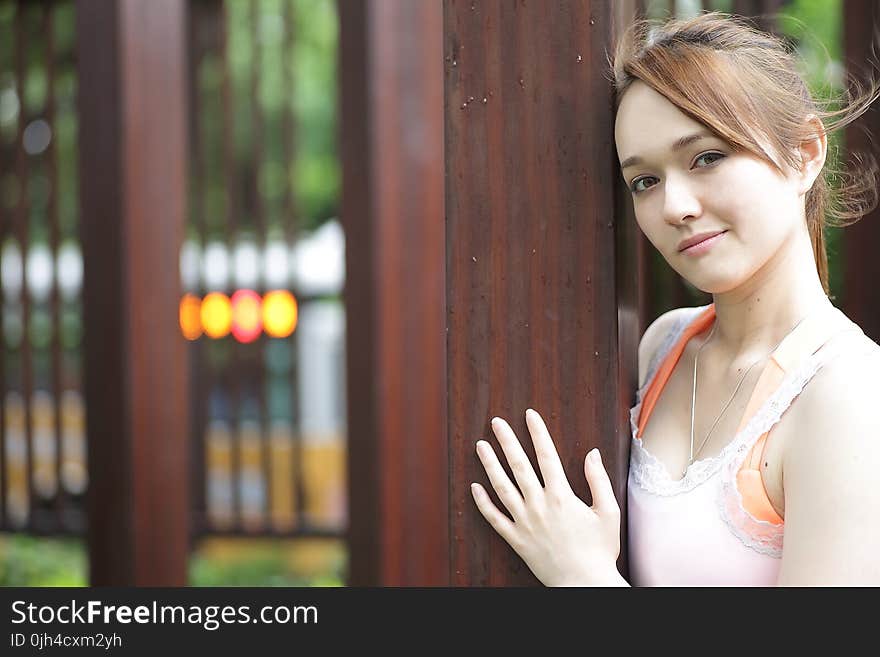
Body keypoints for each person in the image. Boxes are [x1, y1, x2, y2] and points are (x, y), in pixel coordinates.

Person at [469, 11, 880, 586]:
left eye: (707, 157)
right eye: (645, 181)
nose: (673, 207)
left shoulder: (848, 396)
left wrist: (583, 578)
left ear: (806, 153)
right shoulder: (664, 345)